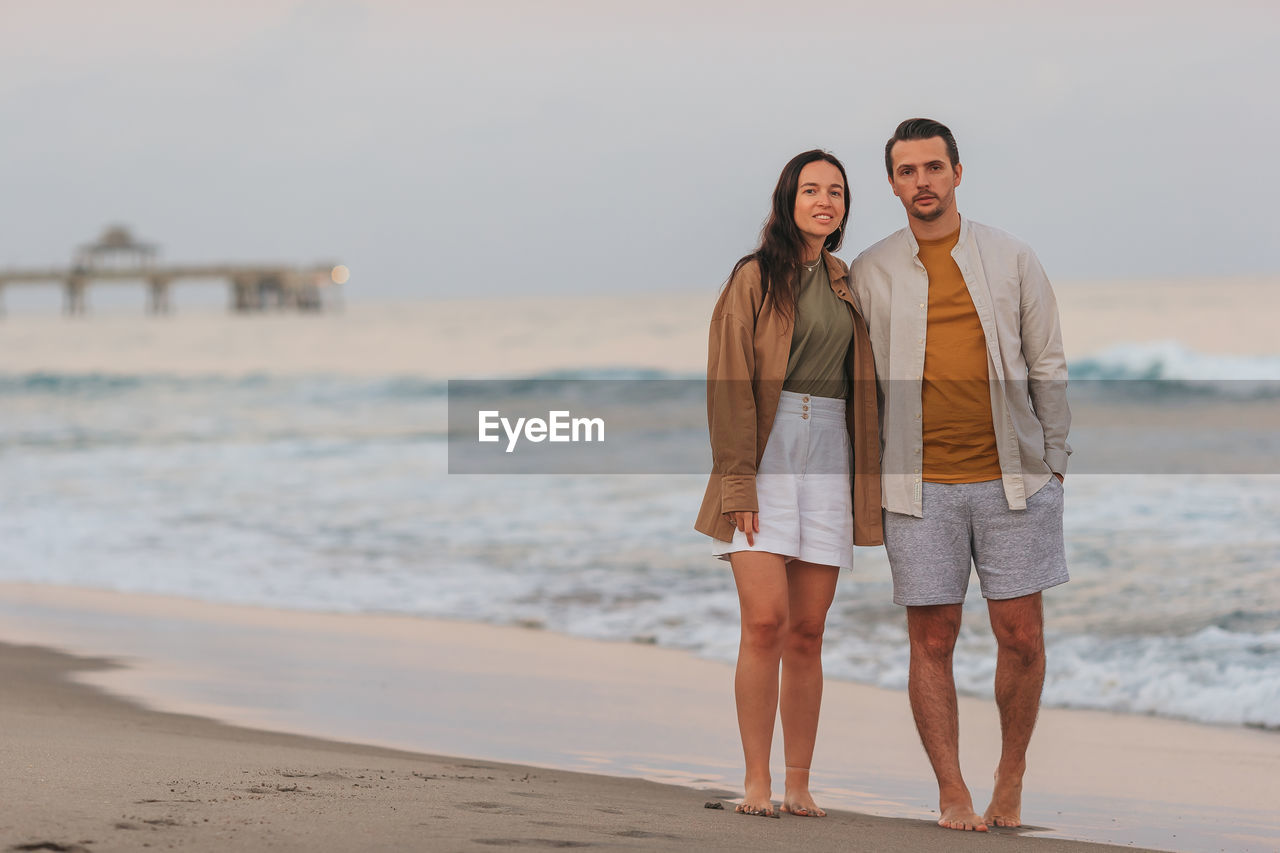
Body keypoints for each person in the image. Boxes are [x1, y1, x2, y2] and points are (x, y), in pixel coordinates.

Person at [850, 118, 1071, 831]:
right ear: (892, 183)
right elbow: (854, 380)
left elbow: (1047, 363)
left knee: (1023, 638)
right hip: (918, 489)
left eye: (933, 168)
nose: (922, 182)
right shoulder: (872, 270)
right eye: (907, 171)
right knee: (934, 639)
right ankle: (951, 789)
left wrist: (1055, 464)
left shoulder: (1011, 257)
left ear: (957, 172)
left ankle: (1010, 773)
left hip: (1015, 481)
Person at [694, 150, 882, 818]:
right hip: (766, 449)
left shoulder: (846, 281)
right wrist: (737, 482)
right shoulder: (754, 277)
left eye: (835, 191)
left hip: (831, 448)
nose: (824, 200)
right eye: (811, 189)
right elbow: (728, 383)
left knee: (807, 630)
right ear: (788, 199)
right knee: (765, 621)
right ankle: (756, 781)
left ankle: (799, 780)